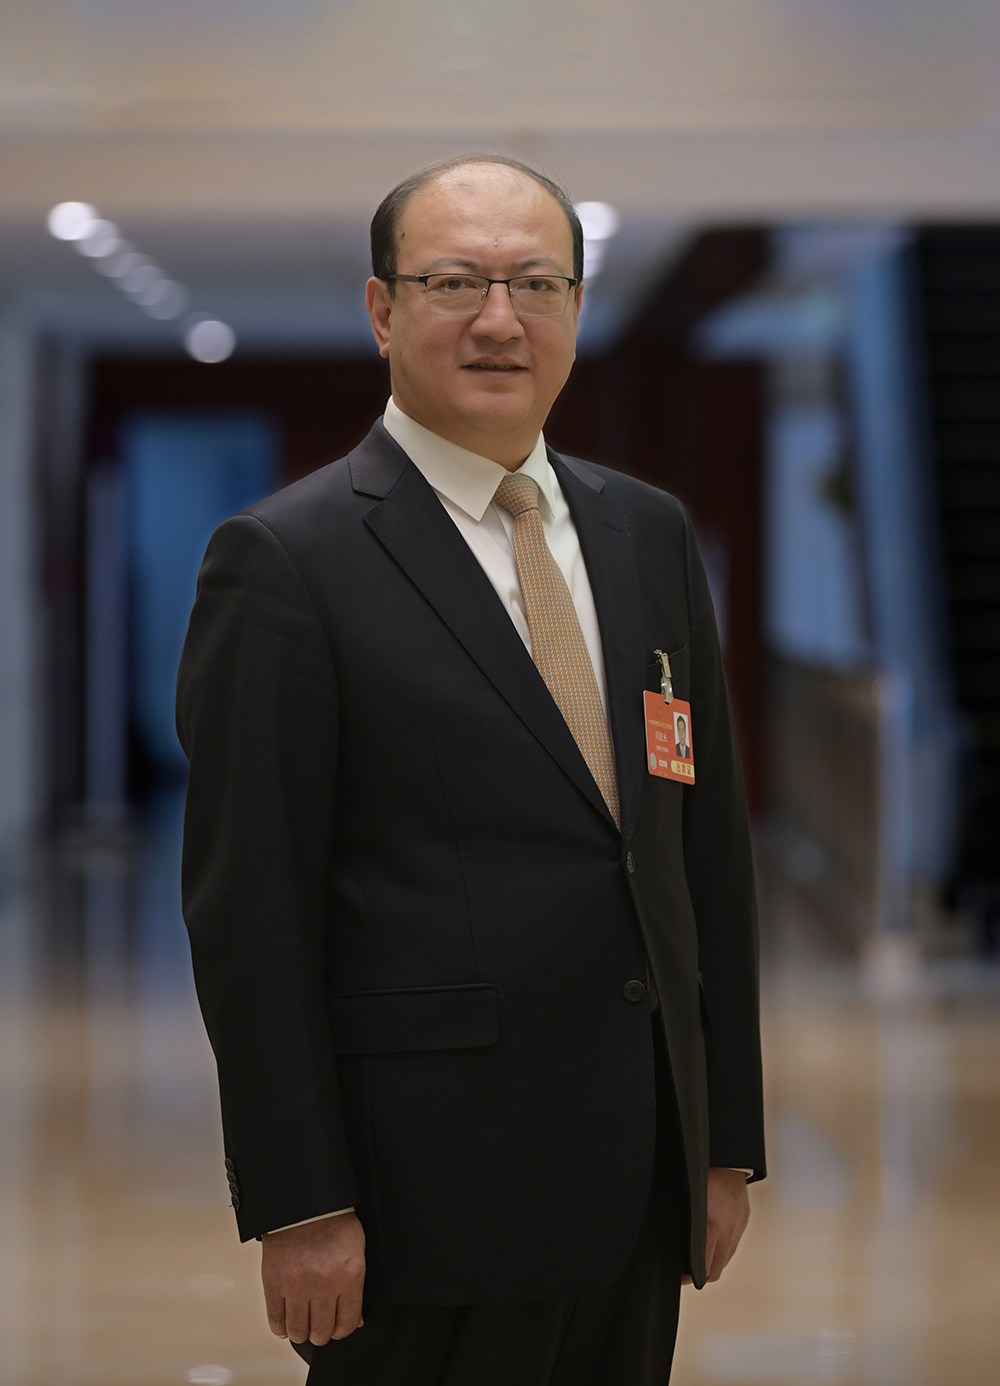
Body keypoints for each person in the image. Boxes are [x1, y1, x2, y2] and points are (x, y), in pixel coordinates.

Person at [177, 153, 765, 1386]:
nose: (500, 319)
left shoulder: (646, 533)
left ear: (576, 308)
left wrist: (721, 1140)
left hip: (637, 1174)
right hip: (425, 1196)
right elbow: (250, 913)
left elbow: (701, 854)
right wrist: (299, 1202)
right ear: (382, 310)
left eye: (536, 283)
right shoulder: (285, 560)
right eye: (455, 282)